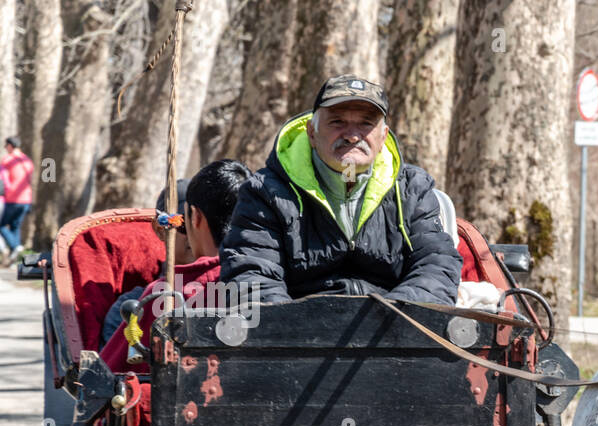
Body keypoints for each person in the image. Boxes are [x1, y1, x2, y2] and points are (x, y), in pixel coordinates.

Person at [220, 75, 461, 304]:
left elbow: (436, 266)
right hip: (298, 336)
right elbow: (251, 276)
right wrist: (299, 333)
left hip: (393, 331)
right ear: (312, 133)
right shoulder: (265, 191)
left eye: (366, 124)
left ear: (383, 137)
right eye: (337, 122)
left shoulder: (412, 188)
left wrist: (387, 323)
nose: (353, 136)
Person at [102, 160, 251, 372]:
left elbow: (104, 385)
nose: (187, 238)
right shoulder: (277, 285)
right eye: (175, 224)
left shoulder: (161, 297)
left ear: (196, 218)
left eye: (184, 222)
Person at [100, 178, 195, 346]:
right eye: (183, 225)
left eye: (202, 224)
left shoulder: (227, 292)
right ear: (160, 230)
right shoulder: (132, 308)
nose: (196, 234)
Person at [1, 136, 35, 263]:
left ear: (10, 145)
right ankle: (15, 256)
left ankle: (16, 246)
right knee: (15, 226)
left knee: (2, 225)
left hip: (13, 198)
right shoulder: (27, 160)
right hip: (26, 199)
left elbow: (3, 178)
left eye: (6, 146)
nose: (5, 148)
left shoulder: (7, 160)